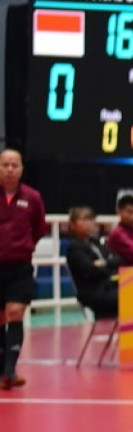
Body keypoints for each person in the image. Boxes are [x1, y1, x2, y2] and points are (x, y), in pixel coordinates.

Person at [0, 148, 47, 390]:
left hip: (19, 266)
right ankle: (2, 368)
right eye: (5, 164)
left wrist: (22, 246)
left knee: (15, 312)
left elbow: (39, 228)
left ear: (21, 169)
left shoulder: (32, 198)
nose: (9, 169)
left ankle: (10, 370)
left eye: (14, 165)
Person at [64, 206, 120, 319]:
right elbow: (91, 270)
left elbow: (118, 259)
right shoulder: (74, 248)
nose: (89, 223)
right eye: (84, 220)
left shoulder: (96, 243)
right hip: (94, 293)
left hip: (110, 287)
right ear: (73, 225)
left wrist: (103, 263)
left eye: (91, 219)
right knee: (132, 296)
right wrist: (108, 266)